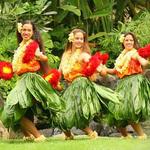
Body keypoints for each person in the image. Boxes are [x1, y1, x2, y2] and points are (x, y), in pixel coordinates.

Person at [0, 20, 64, 142]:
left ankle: (39, 136)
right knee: (24, 109)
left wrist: (41, 57)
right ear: (20, 31)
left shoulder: (33, 45)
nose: (26, 32)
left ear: (33, 32)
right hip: (22, 79)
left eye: (29, 30)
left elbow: (42, 58)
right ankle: (28, 135)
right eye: (24, 29)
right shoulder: (20, 47)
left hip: (30, 79)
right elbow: (16, 66)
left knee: (15, 109)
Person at [58, 28, 121, 140]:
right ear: (71, 39)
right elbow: (60, 71)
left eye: (81, 39)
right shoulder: (66, 55)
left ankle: (90, 133)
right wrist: (53, 82)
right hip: (71, 86)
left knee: (72, 113)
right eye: (77, 38)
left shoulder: (83, 55)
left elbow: (97, 67)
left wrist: (103, 69)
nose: (79, 41)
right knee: (62, 113)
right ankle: (72, 135)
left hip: (81, 85)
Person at [107, 32, 150, 139]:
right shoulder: (122, 55)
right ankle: (125, 136)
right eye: (127, 40)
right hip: (123, 83)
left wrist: (148, 60)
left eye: (131, 40)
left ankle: (141, 135)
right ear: (123, 42)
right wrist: (102, 68)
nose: (129, 42)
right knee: (116, 111)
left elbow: (144, 63)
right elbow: (114, 71)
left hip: (134, 83)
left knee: (129, 110)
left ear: (134, 42)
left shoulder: (135, 53)